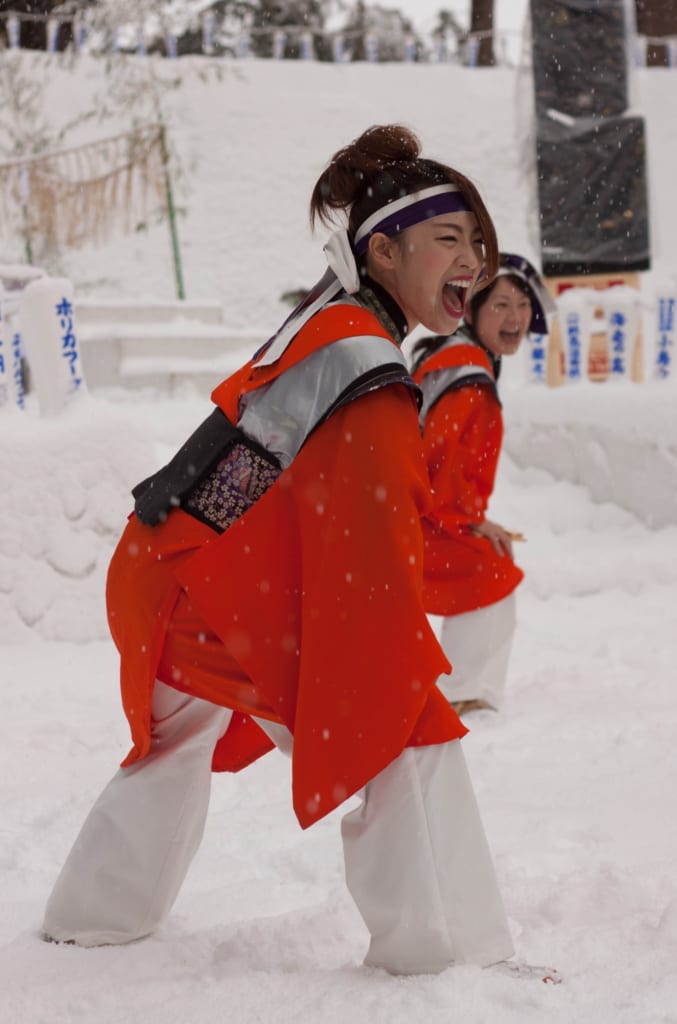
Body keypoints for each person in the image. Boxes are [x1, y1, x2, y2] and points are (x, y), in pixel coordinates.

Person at [42, 125, 515, 977]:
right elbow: (373, 540)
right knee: (407, 732)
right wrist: (392, 659)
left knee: (177, 743)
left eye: (479, 244)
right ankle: (443, 949)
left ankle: (93, 919)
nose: (473, 261)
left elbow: (271, 483)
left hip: (174, 567)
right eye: (450, 238)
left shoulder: (331, 325)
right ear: (383, 248)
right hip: (209, 585)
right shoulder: (361, 354)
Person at [411, 253, 554, 716]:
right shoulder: (468, 378)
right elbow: (438, 461)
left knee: (490, 558)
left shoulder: (455, 357)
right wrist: (467, 523)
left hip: (408, 509)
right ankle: (463, 694)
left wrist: (472, 517)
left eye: (523, 305)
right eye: (501, 306)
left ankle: (464, 690)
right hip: (413, 519)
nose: (514, 318)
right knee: (490, 567)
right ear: (471, 311)